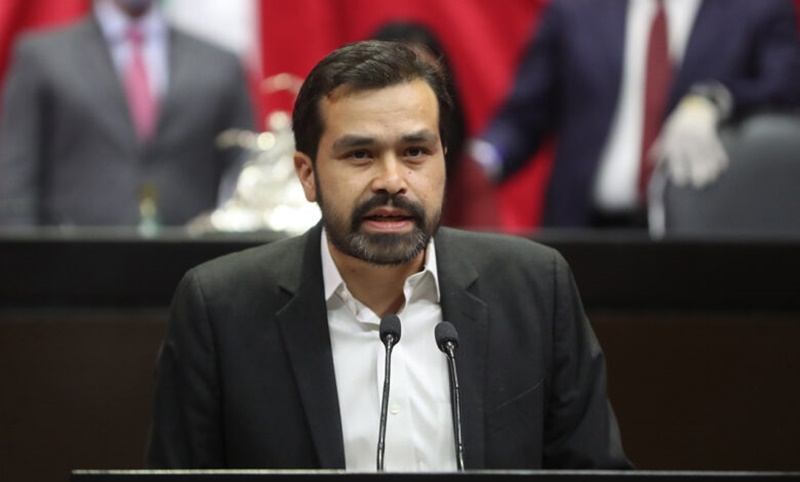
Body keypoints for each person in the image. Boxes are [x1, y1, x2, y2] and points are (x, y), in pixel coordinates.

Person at [145, 40, 630, 471]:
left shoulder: (535, 289)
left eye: (416, 152)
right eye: (360, 155)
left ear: (444, 159)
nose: (393, 181)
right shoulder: (220, 308)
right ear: (307, 175)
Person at [472, 0, 800, 228]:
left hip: (700, 232)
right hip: (586, 230)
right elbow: (523, 116)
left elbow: (786, 86)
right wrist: (480, 161)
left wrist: (716, 98)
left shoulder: (757, 10)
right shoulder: (575, 11)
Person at [0, 0, 255, 227]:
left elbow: (247, 172)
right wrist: (23, 258)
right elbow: (15, 177)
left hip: (193, 253)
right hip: (75, 255)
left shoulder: (220, 63)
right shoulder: (43, 57)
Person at [371, 21, 498, 229]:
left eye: (430, 84)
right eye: (396, 84)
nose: (393, 181)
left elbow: (484, 243)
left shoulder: (467, 171)